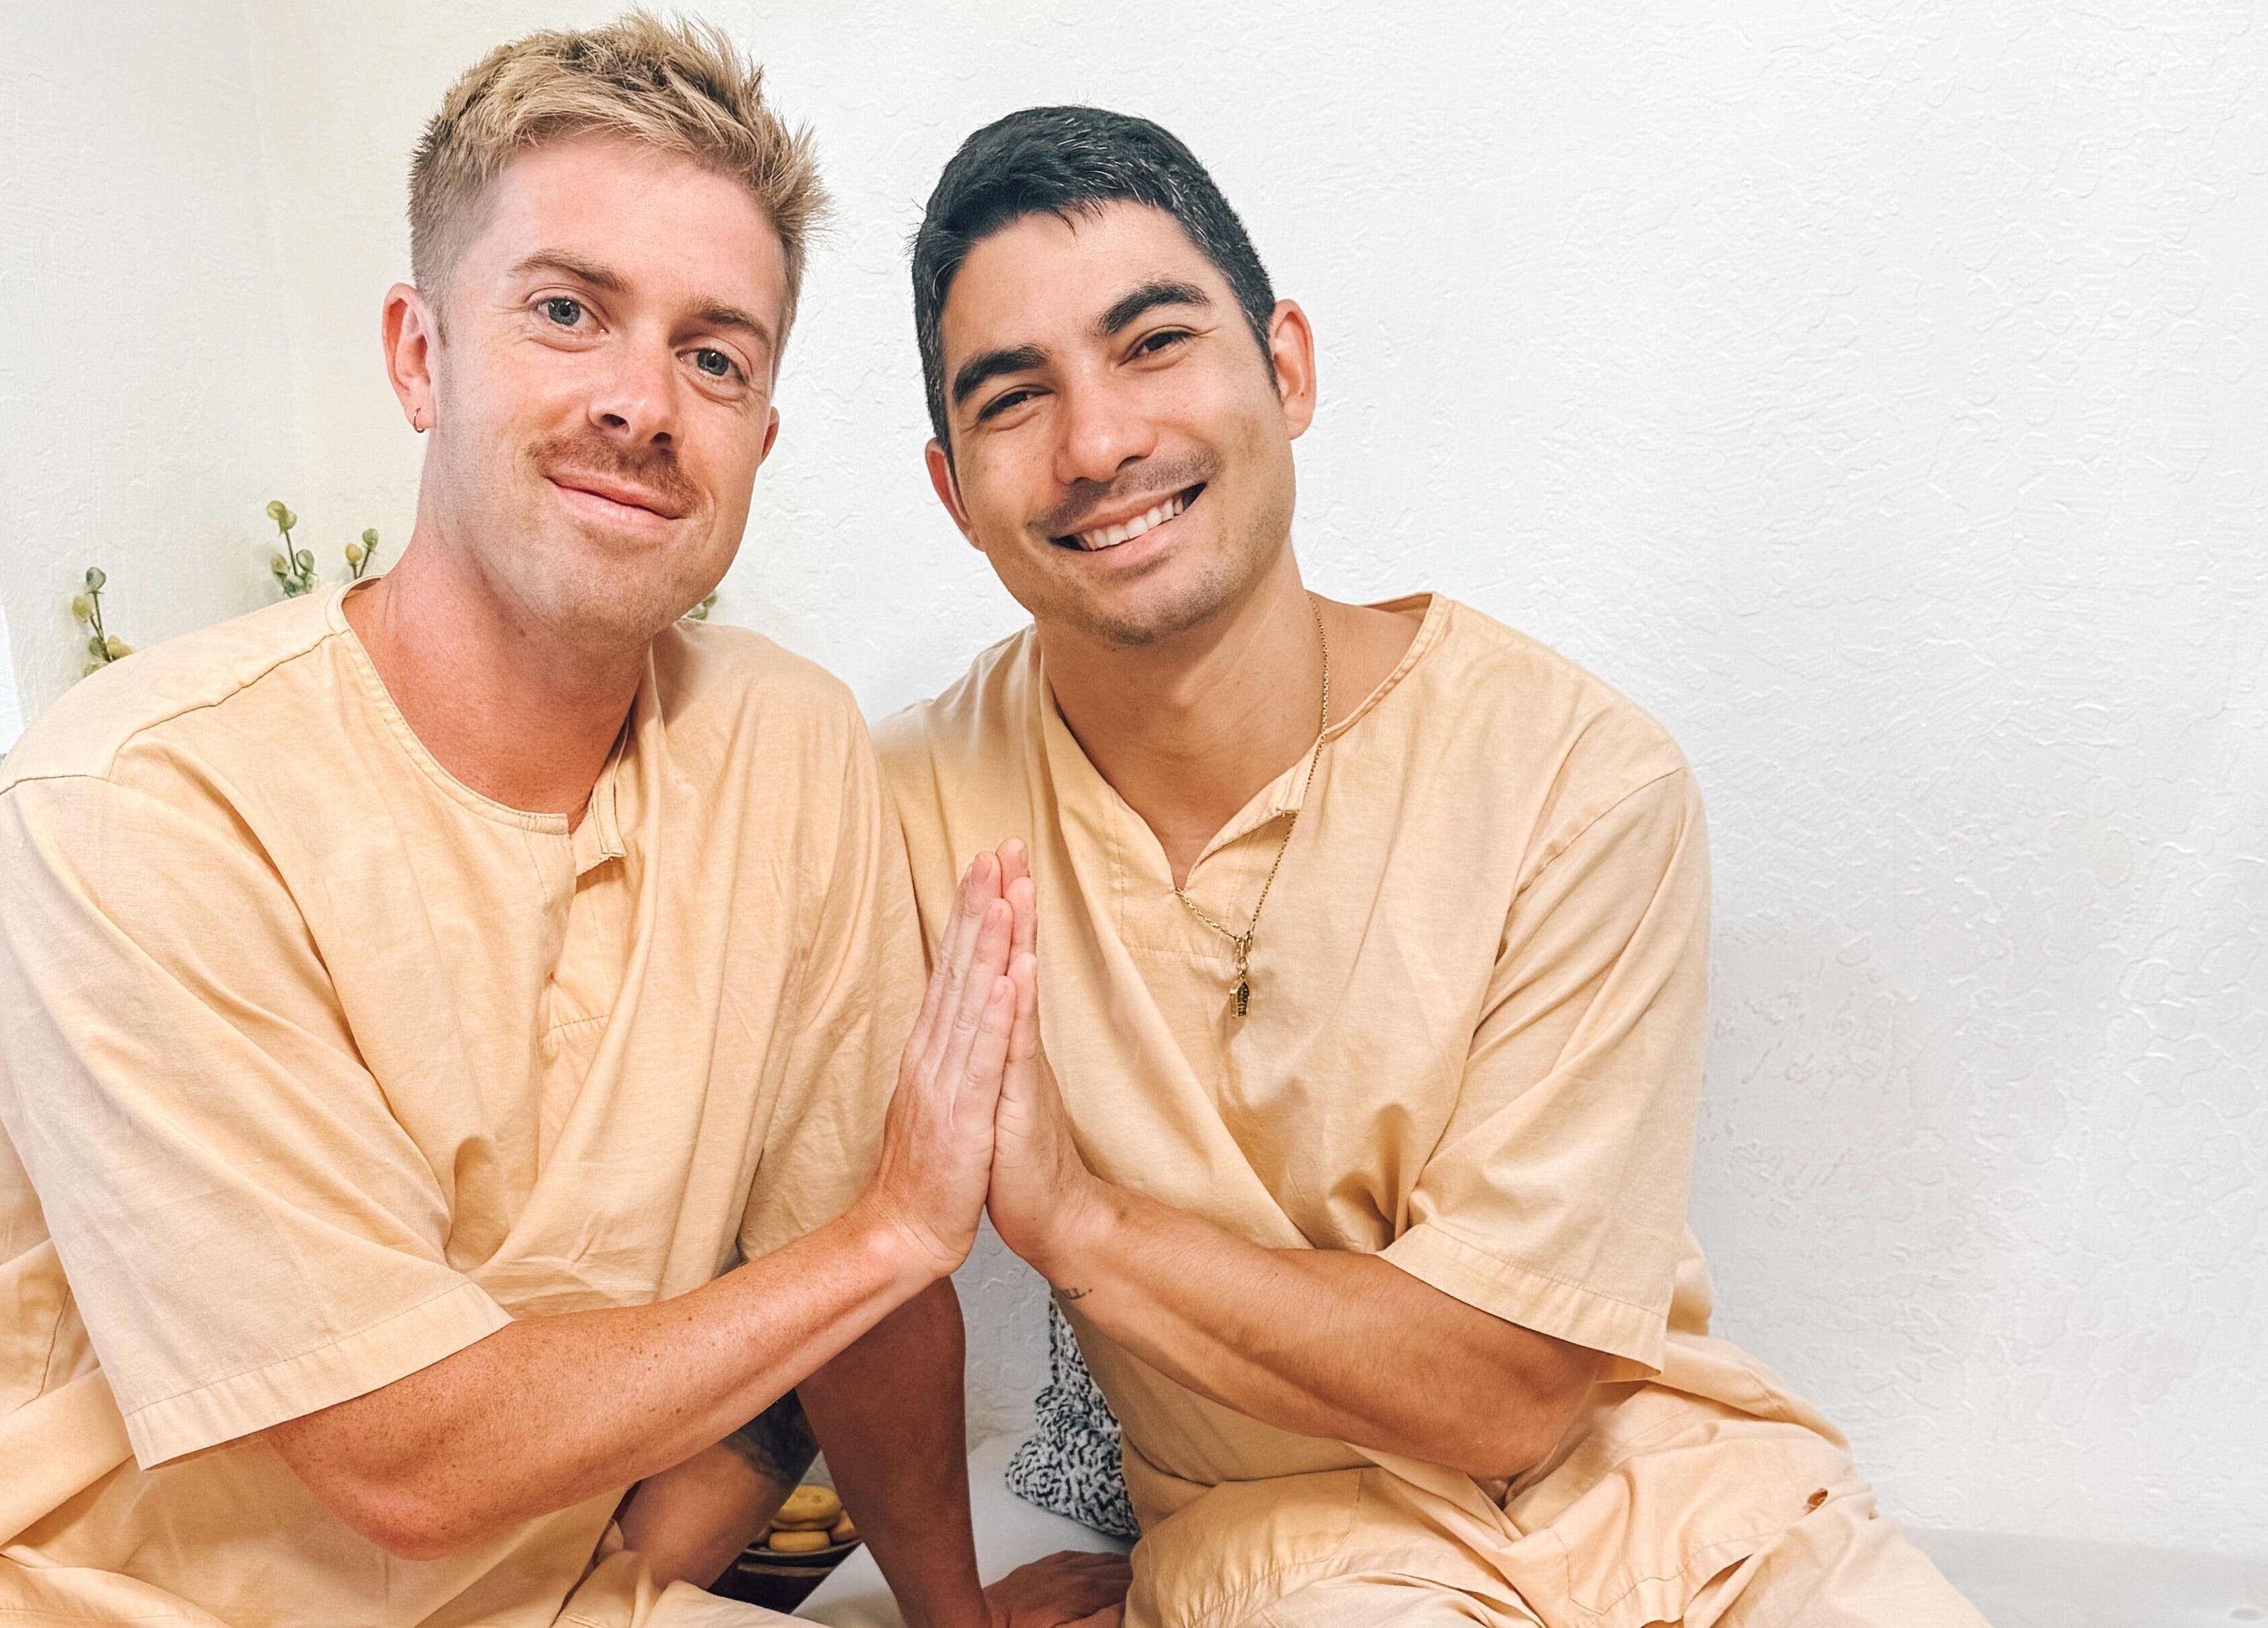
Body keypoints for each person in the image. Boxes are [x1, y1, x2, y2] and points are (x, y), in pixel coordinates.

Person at [0, 22, 1123, 1627]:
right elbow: (407, 1463)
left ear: (758, 445)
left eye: (715, 356)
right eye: (563, 312)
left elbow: (862, 1310)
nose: (640, 403)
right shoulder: (135, 804)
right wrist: (888, 1234)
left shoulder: (779, 745)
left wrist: (953, 1626)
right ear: (417, 353)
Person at [877, 106, 1993, 1627]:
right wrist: (946, 1610)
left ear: (1287, 370)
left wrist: (1075, 1219)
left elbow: (1508, 1391)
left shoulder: (1574, 778)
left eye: (1152, 344)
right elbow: (824, 1267)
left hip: (1686, 1496)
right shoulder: (898, 821)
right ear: (953, 495)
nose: (1099, 444)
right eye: (1015, 398)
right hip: (1300, 1548)